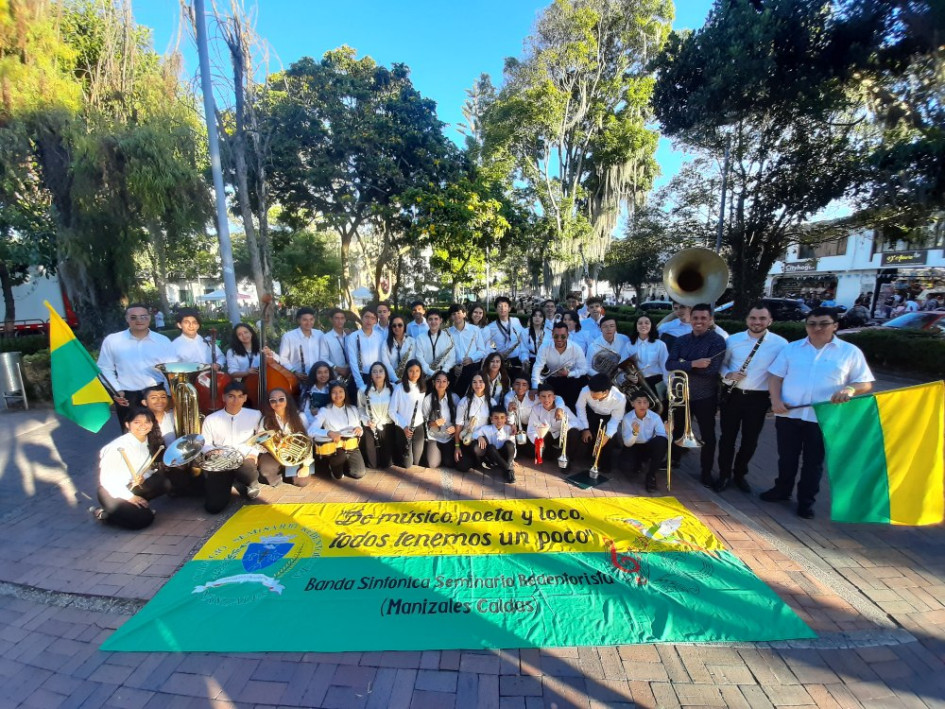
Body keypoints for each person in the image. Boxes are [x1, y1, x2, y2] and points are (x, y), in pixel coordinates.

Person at [763, 307, 874, 519]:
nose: (817, 328)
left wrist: (850, 389)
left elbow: (865, 382)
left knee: (813, 463)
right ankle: (782, 490)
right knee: (787, 458)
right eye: (811, 324)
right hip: (789, 414)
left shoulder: (849, 352)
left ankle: (806, 501)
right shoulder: (792, 349)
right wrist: (775, 401)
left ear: (835, 326)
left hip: (823, 418)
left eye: (823, 323)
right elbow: (775, 377)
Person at [714, 304, 788, 493]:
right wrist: (728, 374)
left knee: (750, 440)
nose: (757, 322)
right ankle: (723, 474)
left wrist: (776, 398)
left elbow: (782, 373)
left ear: (770, 321)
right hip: (733, 396)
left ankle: (740, 474)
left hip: (759, 399)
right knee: (727, 438)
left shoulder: (781, 344)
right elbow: (721, 365)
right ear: (747, 320)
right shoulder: (733, 340)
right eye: (753, 318)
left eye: (762, 318)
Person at [667, 303, 727, 488]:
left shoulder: (717, 341)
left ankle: (706, 471)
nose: (699, 322)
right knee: (677, 431)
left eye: (703, 318)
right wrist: (694, 363)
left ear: (710, 320)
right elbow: (670, 364)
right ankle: (674, 460)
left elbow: (711, 370)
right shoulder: (682, 340)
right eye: (695, 318)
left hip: (705, 396)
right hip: (682, 395)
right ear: (690, 319)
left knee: (708, 435)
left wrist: (684, 363)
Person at [98, 303, 177, 430]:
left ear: (149, 318)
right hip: (128, 396)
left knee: (161, 432)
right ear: (127, 319)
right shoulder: (113, 341)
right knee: (132, 435)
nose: (139, 320)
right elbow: (104, 368)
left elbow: (171, 370)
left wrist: (168, 395)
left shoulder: (163, 341)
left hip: (157, 393)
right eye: (134, 317)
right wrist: (116, 390)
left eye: (143, 316)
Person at [93, 407, 171, 530]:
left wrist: (142, 478)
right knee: (144, 519)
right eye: (137, 422)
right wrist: (130, 497)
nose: (143, 426)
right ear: (127, 424)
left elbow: (147, 469)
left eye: (147, 422)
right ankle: (106, 514)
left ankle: (130, 509)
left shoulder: (149, 441)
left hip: (132, 486)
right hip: (111, 491)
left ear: (152, 424)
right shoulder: (116, 447)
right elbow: (106, 480)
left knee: (165, 482)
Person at [199, 381, 264, 514]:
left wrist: (253, 454)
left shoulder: (255, 414)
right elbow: (204, 443)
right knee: (213, 507)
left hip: (245, 457)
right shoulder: (211, 419)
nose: (236, 400)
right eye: (231, 396)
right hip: (221, 460)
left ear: (245, 398)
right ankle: (228, 481)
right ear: (223, 397)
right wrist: (212, 451)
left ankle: (250, 483)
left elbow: (261, 438)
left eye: (240, 396)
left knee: (248, 471)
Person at [308, 381, 365, 480]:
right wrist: (329, 433)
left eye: (340, 391)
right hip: (335, 447)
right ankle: (334, 467)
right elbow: (311, 430)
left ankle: (347, 464)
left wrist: (360, 430)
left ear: (345, 393)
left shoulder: (353, 409)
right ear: (330, 394)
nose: (338, 395)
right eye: (334, 392)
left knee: (359, 473)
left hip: (352, 446)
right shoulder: (325, 410)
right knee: (338, 476)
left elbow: (359, 428)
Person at [257, 386, 312, 487]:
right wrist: (276, 447)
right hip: (273, 454)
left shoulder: (300, 416)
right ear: (269, 403)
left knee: (302, 482)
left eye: (281, 399)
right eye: (273, 400)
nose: (277, 403)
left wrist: (306, 465)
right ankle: (280, 472)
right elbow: (260, 440)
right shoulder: (265, 419)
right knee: (267, 475)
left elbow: (308, 442)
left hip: (296, 455)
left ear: (287, 400)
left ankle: (287, 471)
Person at [575, 373, 626, 474]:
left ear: (605, 392)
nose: (591, 395)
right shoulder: (586, 390)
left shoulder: (620, 398)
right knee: (587, 436)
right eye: (591, 392)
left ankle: (605, 464)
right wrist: (585, 428)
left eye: (595, 394)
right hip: (590, 413)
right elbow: (580, 408)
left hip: (607, 417)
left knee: (608, 441)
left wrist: (607, 436)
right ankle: (588, 457)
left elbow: (616, 419)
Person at [531, 322, 588, 409]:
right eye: (556, 336)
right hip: (551, 379)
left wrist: (569, 374)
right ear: (552, 335)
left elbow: (584, 369)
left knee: (581, 383)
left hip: (570, 380)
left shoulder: (576, 348)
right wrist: (535, 387)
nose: (559, 339)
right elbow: (538, 367)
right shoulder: (544, 347)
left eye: (563, 336)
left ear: (568, 335)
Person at [620, 391, 668, 492]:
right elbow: (627, 443)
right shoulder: (627, 418)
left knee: (662, 441)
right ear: (632, 404)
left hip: (648, 445)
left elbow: (662, 436)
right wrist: (634, 433)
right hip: (633, 446)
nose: (642, 405)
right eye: (639, 402)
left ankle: (651, 475)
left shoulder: (655, 417)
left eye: (645, 402)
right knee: (628, 470)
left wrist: (668, 432)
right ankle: (639, 463)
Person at [526, 383, 578, 467]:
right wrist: (538, 441)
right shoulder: (536, 409)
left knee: (574, 432)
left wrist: (566, 426)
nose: (546, 399)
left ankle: (567, 459)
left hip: (560, 436)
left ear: (554, 397)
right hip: (546, 438)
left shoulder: (563, 409)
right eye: (543, 396)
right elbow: (531, 429)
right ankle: (552, 453)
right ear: (539, 398)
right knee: (532, 453)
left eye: (549, 396)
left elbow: (577, 423)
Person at [389, 359, 427, 468]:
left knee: (418, 461)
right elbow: (391, 411)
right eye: (411, 371)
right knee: (407, 464)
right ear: (406, 372)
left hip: (418, 426)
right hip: (403, 428)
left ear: (421, 372)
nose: (414, 374)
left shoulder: (423, 387)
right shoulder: (399, 388)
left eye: (417, 371)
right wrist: (404, 426)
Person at [358, 361, 395, 470]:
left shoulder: (393, 388)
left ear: (385, 374)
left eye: (380, 371)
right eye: (374, 372)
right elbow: (360, 409)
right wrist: (366, 421)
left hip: (387, 426)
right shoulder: (363, 390)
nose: (377, 374)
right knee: (372, 464)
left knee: (387, 463)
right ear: (370, 375)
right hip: (370, 426)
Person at [346, 306, 386, 402]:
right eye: (366, 317)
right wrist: (360, 384)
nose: (369, 320)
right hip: (359, 376)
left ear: (376, 321)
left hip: (376, 376)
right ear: (362, 318)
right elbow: (353, 362)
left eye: (372, 318)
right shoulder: (353, 337)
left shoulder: (380, 337)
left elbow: (382, 359)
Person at [627, 315, 669, 406]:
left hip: (656, 382)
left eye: (647, 323)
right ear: (636, 327)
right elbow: (622, 366)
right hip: (637, 384)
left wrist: (669, 386)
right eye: (640, 323)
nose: (643, 325)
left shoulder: (660, 345)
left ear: (651, 326)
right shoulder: (629, 345)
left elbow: (665, 367)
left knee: (660, 410)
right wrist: (628, 376)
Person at [422, 370, 460, 470]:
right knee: (432, 464)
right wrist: (434, 423)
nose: (441, 384)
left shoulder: (455, 398)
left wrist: (455, 428)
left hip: (449, 437)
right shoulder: (428, 400)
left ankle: (444, 454)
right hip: (434, 437)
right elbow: (425, 421)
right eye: (438, 381)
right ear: (434, 383)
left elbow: (461, 419)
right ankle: (437, 452)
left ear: (448, 383)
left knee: (449, 463)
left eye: (444, 381)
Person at [455, 373, 491, 472]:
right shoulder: (464, 402)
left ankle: (482, 457)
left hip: (482, 440)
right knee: (462, 466)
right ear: (471, 384)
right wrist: (457, 447)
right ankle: (476, 460)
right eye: (474, 382)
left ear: (486, 384)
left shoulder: (491, 402)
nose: (477, 385)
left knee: (476, 447)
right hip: (467, 439)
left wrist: (480, 436)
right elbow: (458, 425)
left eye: (481, 382)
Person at [447, 303, 486, 396]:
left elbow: (482, 351)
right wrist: (453, 365)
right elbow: (446, 354)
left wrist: (471, 358)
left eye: (458, 313)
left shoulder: (475, 330)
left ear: (464, 314)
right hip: (454, 370)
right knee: (454, 396)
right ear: (451, 317)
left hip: (471, 368)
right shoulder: (447, 332)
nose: (456, 316)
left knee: (470, 396)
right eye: (453, 314)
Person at [279, 307, 323, 383]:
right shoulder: (288, 337)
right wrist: (295, 372)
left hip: (318, 379)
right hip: (297, 379)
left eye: (311, 319)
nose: (309, 323)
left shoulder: (319, 334)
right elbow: (283, 358)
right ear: (299, 320)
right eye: (305, 320)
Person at [474, 406, 518, 483]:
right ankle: (508, 469)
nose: (499, 420)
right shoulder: (486, 428)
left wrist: (512, 459)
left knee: (509, 444)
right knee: (490, 447)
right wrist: (479, 437)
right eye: (496, 418)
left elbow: (512, 446)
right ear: (491, 419)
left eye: (502, 417)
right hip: (493, 456)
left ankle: (507, 466)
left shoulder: (509, 429)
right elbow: (473, 434)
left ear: (505, 419)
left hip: (504, 456)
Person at [484, 296, 525, 374]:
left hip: (517, 359)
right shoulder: (490, 327)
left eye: (505, 306)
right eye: (499, 306)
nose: (502, 309)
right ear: (496, 309)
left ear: (509, 308)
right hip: (500, 361)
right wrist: (496, 352)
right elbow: (490, 344)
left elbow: (523, 337)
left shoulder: (516, 321)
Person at [415, 309, 456, 378]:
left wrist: (443, 371)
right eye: (430, 319)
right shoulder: (420, 338)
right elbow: (419, 358)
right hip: (426, 375)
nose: (433, 322)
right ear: (427, 321)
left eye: (436, 319)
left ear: (441, 320)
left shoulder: (448, 336)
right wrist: (430, 372)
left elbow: (452, 358)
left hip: (444, 374)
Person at [320, 308, 354, 385]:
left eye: (342, 318)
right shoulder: (326, 337)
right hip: (335, 375)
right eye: (337, 318)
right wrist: (337, 368)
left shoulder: (350, 336)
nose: (340, 321)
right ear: (331, 320)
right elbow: (323, 358)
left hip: (351, 373)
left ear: (345, 320)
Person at [504, 375, 537, 444]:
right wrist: (510, 411)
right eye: (517, 384)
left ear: (528, 387)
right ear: (513, 385)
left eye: (524, 385)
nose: (520, 388)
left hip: (533, 426)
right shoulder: (508, 397)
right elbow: (510, 421)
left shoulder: (534, 396)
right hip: (516, 427)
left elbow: (555, 398)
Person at [384, 314, 416, 384]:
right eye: (394, 325)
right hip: (392, 381)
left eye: (400, 325)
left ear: (404, 326)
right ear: (391, 328)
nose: (397, 327)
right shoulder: (385, 344)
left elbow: (414, 361)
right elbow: (386, 364)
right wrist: (396, 379)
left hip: (409, 380)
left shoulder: (412, 341)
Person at [521, 308, 548, 381]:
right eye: (535, 315)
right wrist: (525, 360)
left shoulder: (548, 333)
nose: (537, 318)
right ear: (531, 318)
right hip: (530, 361)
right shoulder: (525, 332)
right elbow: (523, 349)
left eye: (540, 316)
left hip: (544, 362)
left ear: (543, 319)